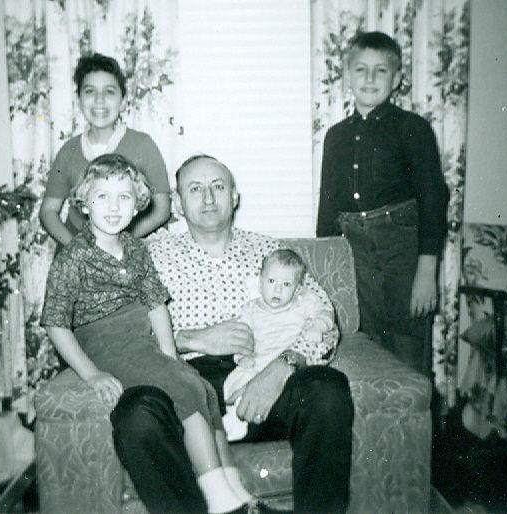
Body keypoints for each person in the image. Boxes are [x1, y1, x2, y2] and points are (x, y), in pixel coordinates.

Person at [40, 153, 261, 514]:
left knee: (202, 388)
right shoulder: (73, 257)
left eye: (124, 197)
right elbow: (55, 322)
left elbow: (156, 305)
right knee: (184, 388)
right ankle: (218, 498)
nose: (114, 207)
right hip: (104, 340)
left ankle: (235, 488)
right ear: (84, 202)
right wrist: (91, 374)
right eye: (102, 197)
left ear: (138, 204)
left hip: (141, 336)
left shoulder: (136, 248)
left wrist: (170, 356)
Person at [147, 154, 354, 514]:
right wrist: (191, 338)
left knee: (327, 389)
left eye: (218, 187)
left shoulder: (271, 252)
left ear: (235, 196)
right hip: (187, 381)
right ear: (178, 203)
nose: (208, 198)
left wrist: (282, 367)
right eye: (195, 189)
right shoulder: (152, 256)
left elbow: (324, 321)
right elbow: (123, 335)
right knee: (141, 413)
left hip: (266, 373)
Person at [316, 31, 449, 376]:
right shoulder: (335, 136)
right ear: (347, 76)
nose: (370, 79)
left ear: (397, 78)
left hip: (402, 253)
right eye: (361, 69)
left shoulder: (413, 128)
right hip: (353, 254)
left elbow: (433, 199)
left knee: (407, 348)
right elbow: (327, 207)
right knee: (363, 345)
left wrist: (427, 272)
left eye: (381, 71)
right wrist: (325, 270)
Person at [39, 53, 170, 247]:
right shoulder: (68, 151)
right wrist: (76, 247)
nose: (99, 100)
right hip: (77, 249)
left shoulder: (144, 145)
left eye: (109, 91)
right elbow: (48, 211)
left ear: (123, 101)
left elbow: (162, 210)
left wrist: (119, 243)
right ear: (79, 100)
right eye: (90, 91)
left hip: (127, 248)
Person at [222, 248, 337, 442]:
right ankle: (235, 418)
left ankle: (238, 421)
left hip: (290, 368)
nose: (277, 290)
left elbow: (326, 314)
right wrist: (242, 357)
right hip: (257, 364)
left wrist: (318, 326)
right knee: (234, 381)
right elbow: (242, 336)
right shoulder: (250, 309)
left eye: (286, 284)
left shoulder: (304, 303)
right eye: (271, 281)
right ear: (260, 283)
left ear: (297, 289)